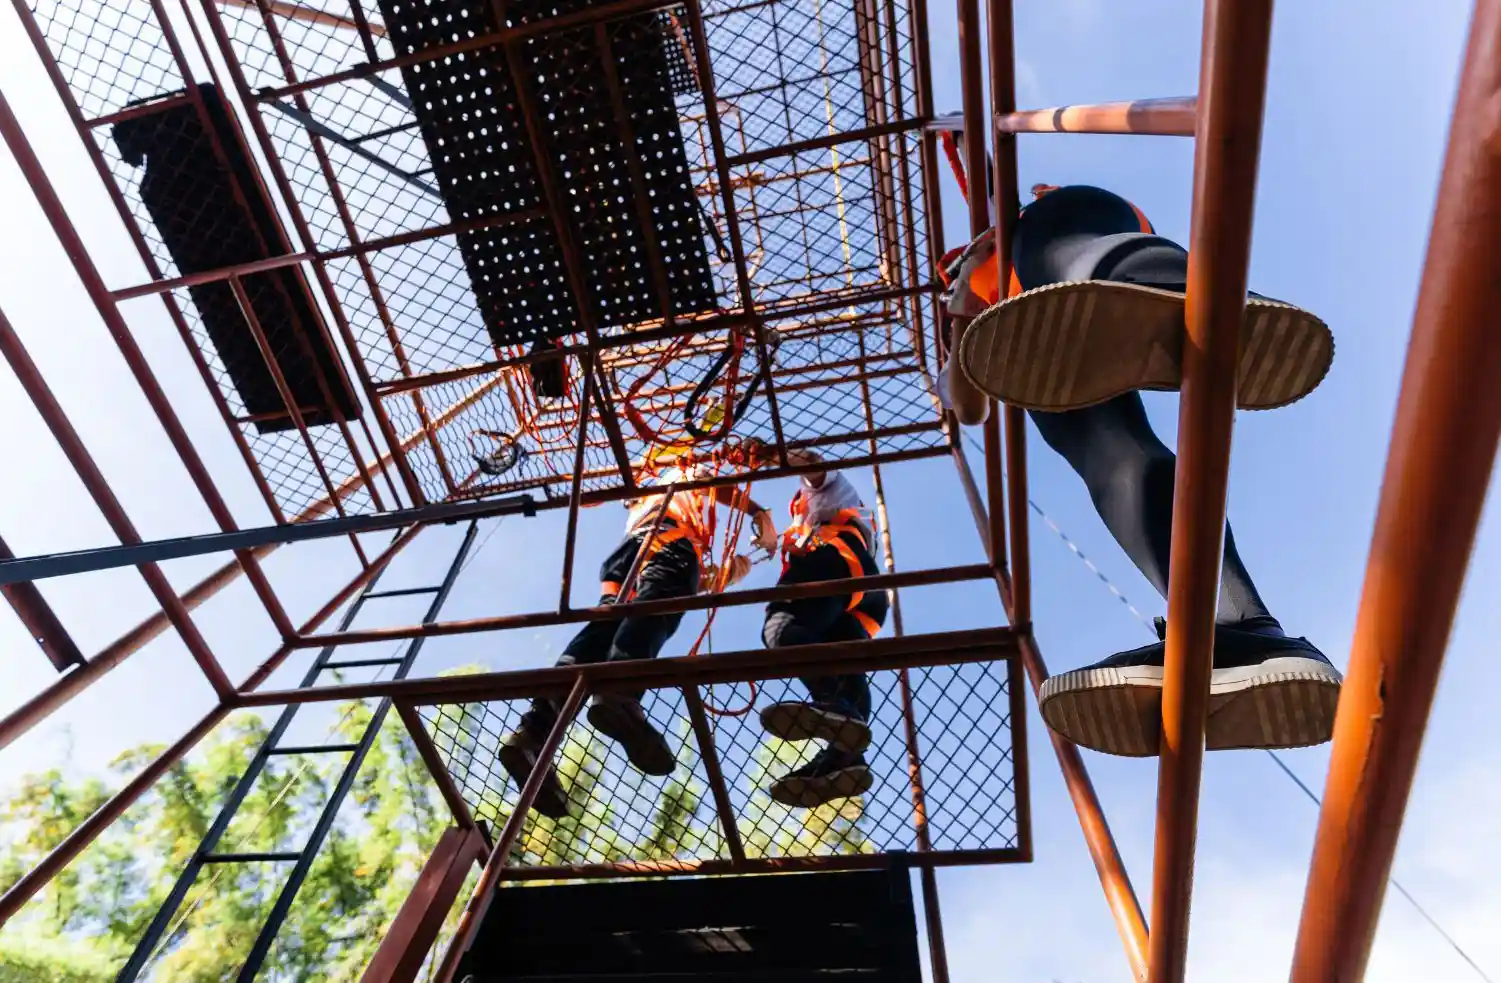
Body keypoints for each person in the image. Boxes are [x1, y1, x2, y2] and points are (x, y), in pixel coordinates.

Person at [945, 184, 1344, 758]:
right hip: (1042, 340)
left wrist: (994, 227)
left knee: (1057, 249)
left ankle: (1189, 299)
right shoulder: (977, 303)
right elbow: (969, 405)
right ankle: (1243, 633)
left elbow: (979, 153)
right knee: (1115, 463)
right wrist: (961, 306)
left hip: (1070, 242)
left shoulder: (1008, 227)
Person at [501, 455, 778, 817]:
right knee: (656, 608)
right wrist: (759, 513)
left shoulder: (639, 505)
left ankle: (534, 732)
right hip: (669, 539)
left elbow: (680, 582)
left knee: (604, 630)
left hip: (627, 556)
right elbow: (703, 481)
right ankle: (620, 692)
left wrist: (720, 576)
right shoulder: (678, 473)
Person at [757, 446, 889, 807]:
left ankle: (834, 708)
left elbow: (815, 465)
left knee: (780, 628)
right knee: (842, 666)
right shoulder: (805, 524)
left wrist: (772, 456)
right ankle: (842, 759)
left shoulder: (826, 491)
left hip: (840, 562)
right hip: (861, 593)